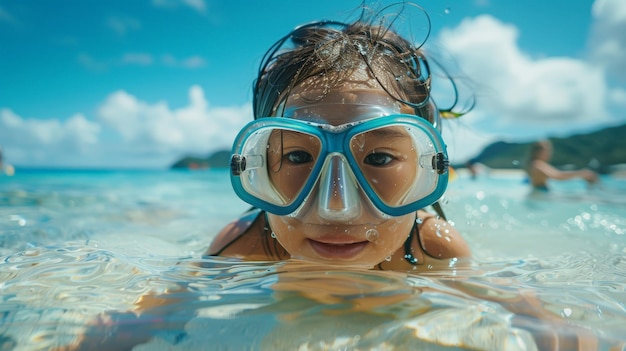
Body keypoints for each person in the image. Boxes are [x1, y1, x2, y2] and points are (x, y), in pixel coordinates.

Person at [205, 8, 471, 271]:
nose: (336, 208)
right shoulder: (240, 249)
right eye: (298, 156)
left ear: (425, 166)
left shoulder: (435, 250)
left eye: (379, 158)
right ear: (259, 166)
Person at [525, 139, 598, 192]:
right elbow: (558, 175)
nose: (549, 153)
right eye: (547, 151)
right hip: (541, 193)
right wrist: (582, 173)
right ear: (538, 152)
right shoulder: (538, 164)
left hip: (539, 192)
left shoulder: (533, 164)